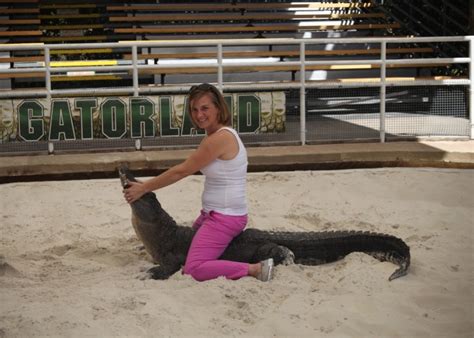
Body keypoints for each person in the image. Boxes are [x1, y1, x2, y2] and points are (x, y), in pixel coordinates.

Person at [123, 83, 273, 282]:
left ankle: (256, 270)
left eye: (205, 108)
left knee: (193, 269)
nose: (199, 115)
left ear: (218, 108)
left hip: (225, 218)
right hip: (211, 215)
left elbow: (182, 170)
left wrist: (144, 187)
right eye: (194, 109)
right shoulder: (215, 135)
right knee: (182, 249)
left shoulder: (219, 139)